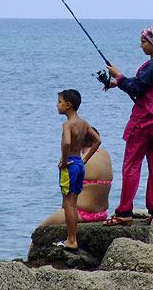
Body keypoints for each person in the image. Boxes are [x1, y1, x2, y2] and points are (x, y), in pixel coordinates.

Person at [103, 22, 153, 226]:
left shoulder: (151, 65)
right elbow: (145, 84)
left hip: (144, 123)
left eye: (143, 41)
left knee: (131, 166)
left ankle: (124, 212)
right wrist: (119, 83)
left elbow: (136, 88)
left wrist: (118, 76)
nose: (140, 45)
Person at [53, 89, 102, 252]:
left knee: (68, 204)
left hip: (70, 164)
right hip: (79, 165)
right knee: (73, 203)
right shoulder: (84, 123)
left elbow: (67, 142)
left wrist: (64, 160)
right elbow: (97, 140)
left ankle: (72, 239)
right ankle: (72, 238)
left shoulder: (68, 124)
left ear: (68, 105)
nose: (57, 105)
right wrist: (85, 159)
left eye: (59, 102)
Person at [37, 128, 113, 226]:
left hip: (81, 213)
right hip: (102, 214)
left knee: (39, 231)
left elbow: (67, 198)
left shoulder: (76, 163)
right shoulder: (105, 155)